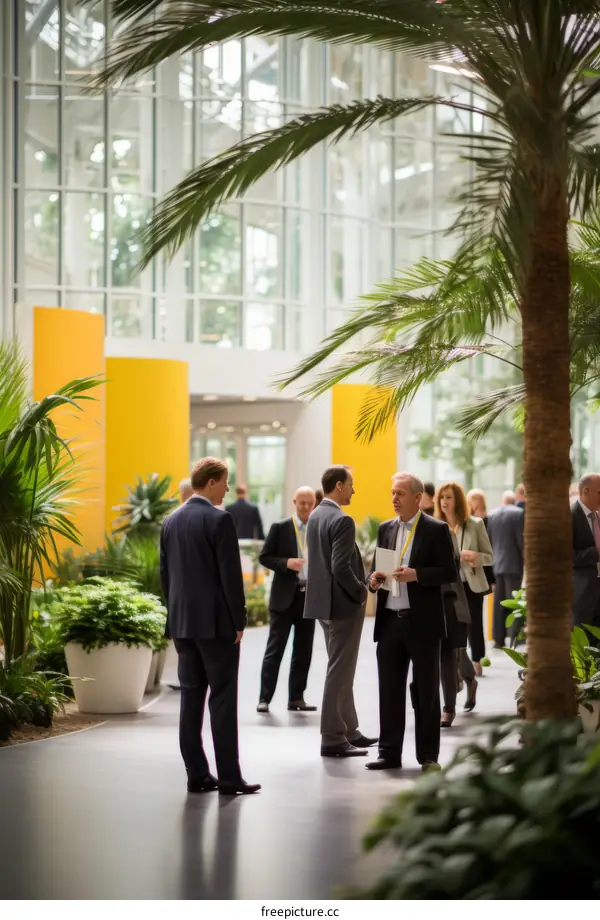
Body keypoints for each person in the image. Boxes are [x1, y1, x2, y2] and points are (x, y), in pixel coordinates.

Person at [159, 457, 260, 796]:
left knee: (190, 701)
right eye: (226, 481)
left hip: (183, 626)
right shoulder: (219, 519)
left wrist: (173, 621)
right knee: (222, 700)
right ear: (213, 481)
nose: (228, 489)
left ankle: (197, 774)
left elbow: (165, 577)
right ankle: (229, 778)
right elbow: (231, 578)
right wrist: (239, 620)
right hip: (217, 627)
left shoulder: (170, 522)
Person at [367, 473, 456, 772]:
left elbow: (449, 572)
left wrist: (417, 574)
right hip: (390, 621)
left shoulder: (436, 529)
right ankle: (388, 753)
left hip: (423, 623)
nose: (394, 498)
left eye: (400, 494)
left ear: (417, 498)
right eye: (392, 493)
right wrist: (373, 581)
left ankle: (428, 756)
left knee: (426, 692)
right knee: (389, 690)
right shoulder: (385, 529)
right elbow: (377, 569)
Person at [304, 465, 375, 758]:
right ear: (337, 485)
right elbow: (340, 567)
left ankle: (350, 730)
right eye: (351, 485)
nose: (353, 490)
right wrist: (362, 591)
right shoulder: (342, 520)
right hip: (343, 607)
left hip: (322, 606)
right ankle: (332, 737)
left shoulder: (315, 516)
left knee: (340, 669)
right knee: (340, 671)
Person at [257, 487, 318, 713]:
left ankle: (296, 698)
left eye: (309, 503)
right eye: (301, 502)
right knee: (275, 650)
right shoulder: (280, 528)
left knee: (303, 651)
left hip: (308, 599)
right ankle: (264, 698)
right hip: (283, 599)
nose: (305, 507)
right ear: (294, 502)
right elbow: (264, 556)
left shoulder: (317, 529)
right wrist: (286, 563)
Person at [436, 482, 494, 717]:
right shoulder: (436, 526)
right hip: (445, 590)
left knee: (461, 640)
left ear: (457, 500)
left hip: (469, 589)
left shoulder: (475, 525)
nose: (444, 502)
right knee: (451, 643)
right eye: (441, 497)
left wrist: (476, 557)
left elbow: (490, 557)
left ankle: (465, 682)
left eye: (448, 497)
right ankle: (467, 681)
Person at [486, 495, 524, 647]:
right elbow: (521, 540)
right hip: (513, 565)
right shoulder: (519, 513)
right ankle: (515, 638)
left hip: (497, 565)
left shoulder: (492, 515)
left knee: (498, 603)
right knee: (514, 603)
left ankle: (498, 638)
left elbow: (488, 541)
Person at [466, 488, 495, 671]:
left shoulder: (475, 523)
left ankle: (476, 659)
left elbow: (487, 552)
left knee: (474, 620)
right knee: (476, 621)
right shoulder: (487, 519)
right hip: (481, 575)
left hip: (477, 574)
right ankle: (478, 658)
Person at [572, 473, 600, 629]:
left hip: (597, 596)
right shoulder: (570, 516)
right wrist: (596, 551)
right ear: (586, 491)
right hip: (581, 597)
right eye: (599, 492)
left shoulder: (597, 516)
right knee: (582, 647)